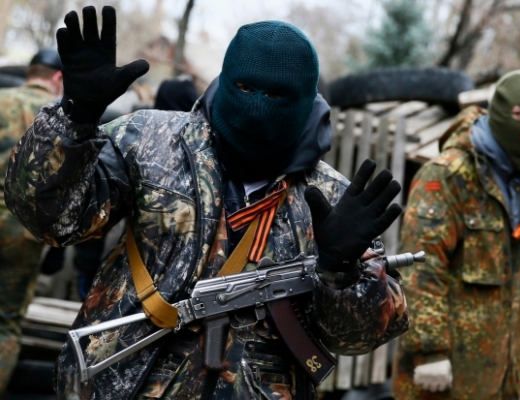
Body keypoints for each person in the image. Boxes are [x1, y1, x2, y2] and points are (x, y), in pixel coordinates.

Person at [5, 6, 409, 399]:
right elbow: (52, 221)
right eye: (245, 88)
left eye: (277, 94)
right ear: (225, 79)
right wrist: (73, 120)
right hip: (123, 381)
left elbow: (360, 338)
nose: (257, 106)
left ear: (306, 100)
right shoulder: (147, 143)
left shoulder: (331, 198)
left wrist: (341, 272)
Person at [393, 70, 520, 399]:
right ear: (499, 111)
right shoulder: (448, 175)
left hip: (503, 370)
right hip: (446, 373)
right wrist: (429, 351)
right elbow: (422, 265)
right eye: (519, 114)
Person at [0, 48, 63, 395]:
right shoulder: (58, 117)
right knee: (6, 323)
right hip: (22, 230)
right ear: (58, 78)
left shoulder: (1, 100)